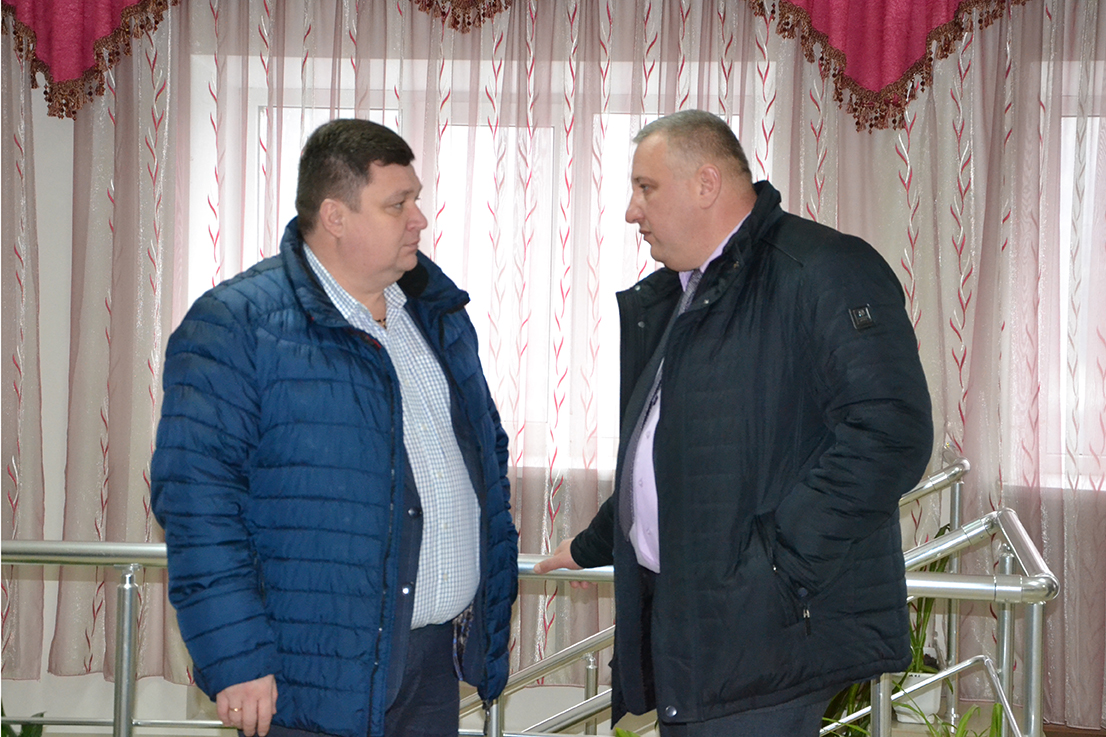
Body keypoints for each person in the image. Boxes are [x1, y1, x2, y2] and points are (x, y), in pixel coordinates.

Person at [534, 109, 933, 736]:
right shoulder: (692, 290)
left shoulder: (822, 268)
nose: (632, 212)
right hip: (700, 623)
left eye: (646, 188)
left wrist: (775, 569)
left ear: (706, 183)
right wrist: (593, 544)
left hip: (767, 634)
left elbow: (890, 433)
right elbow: (674, 448)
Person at [151, 119, 518, 737]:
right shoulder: (236, 325)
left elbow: (486, 460)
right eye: (397, 204)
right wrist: (237, 660)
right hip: (311, 676)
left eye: (416, 199)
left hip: (432, 665)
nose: (419, 219)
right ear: (335, 216)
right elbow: (198, 504)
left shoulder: (436, 315)